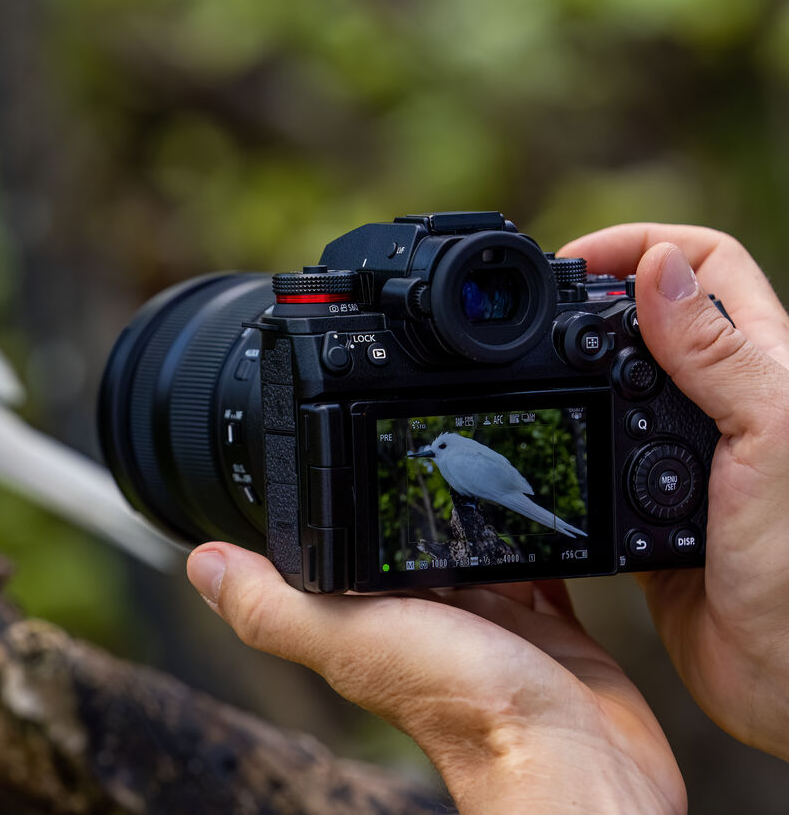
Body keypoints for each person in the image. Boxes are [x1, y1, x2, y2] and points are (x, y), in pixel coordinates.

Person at [184, 225, 789, 813]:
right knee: (553, 524)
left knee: (548, 522)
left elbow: (499, 486)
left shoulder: (461, 459)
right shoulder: (452, 459)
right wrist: (558, 753)